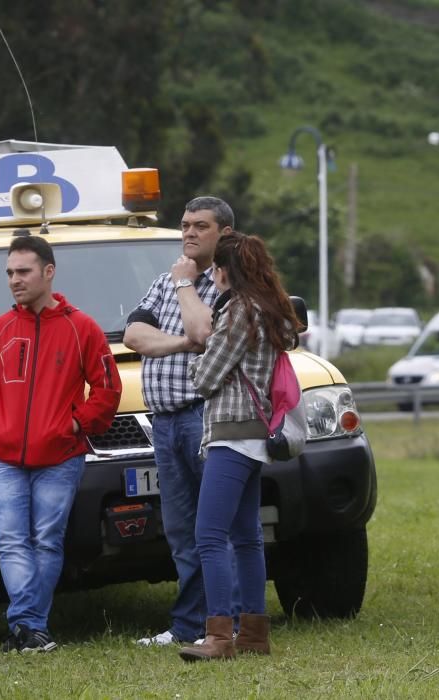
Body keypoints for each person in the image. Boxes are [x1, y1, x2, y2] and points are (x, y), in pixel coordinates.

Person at [0, 235, 121, 653]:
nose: (15, 280)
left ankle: (27, 628)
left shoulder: (81, 327)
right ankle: (31, 627)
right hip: (4, 458)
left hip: (60, 458)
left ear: (48, 272)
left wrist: (76, 424)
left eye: (24, 271)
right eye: (10, 273)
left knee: (45, 540)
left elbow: (106, 388)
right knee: (11, 541)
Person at [179, 230, 299, 662]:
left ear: (225, 271)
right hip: (256, 436)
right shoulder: (267, 311)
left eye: (214, 271)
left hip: (231, 433)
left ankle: (219, 635)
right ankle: (253, 633)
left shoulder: (237, 313)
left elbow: (205, 378)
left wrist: (198, 355)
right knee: (247, 537)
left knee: (209, 535)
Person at [123, 196, 234, 646]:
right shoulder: (162, 281)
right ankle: (190, 625)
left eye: (200, 226)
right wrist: (182, 344)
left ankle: (229, 623)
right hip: (164, 424)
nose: (188, 233)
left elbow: (205, 331)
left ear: (224, 234)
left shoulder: (228, 286)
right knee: (181, 531)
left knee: (215, 528)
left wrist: (187, 287)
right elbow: (134, 335)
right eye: (185, 225)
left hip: (204, 418)